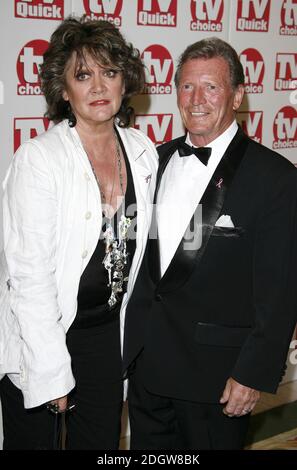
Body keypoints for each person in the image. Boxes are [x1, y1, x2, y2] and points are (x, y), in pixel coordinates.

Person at [123, 37, 297, 450]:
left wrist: (252, 374)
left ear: (237, 95)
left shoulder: (275, 178)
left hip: (216, 380)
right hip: (147, 371)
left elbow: (281, 292)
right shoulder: (153, 162)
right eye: (187, 86)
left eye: (211, 87)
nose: (197, 98)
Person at [0, 16, 157, 450]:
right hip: (45, 336)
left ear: (125, 81)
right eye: (83, 75)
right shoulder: (39, 160)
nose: (99, 87)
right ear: (63, 90)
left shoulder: (143, 152)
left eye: (109, 72)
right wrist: (51, 373)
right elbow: (28, 278)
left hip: (106, 336)